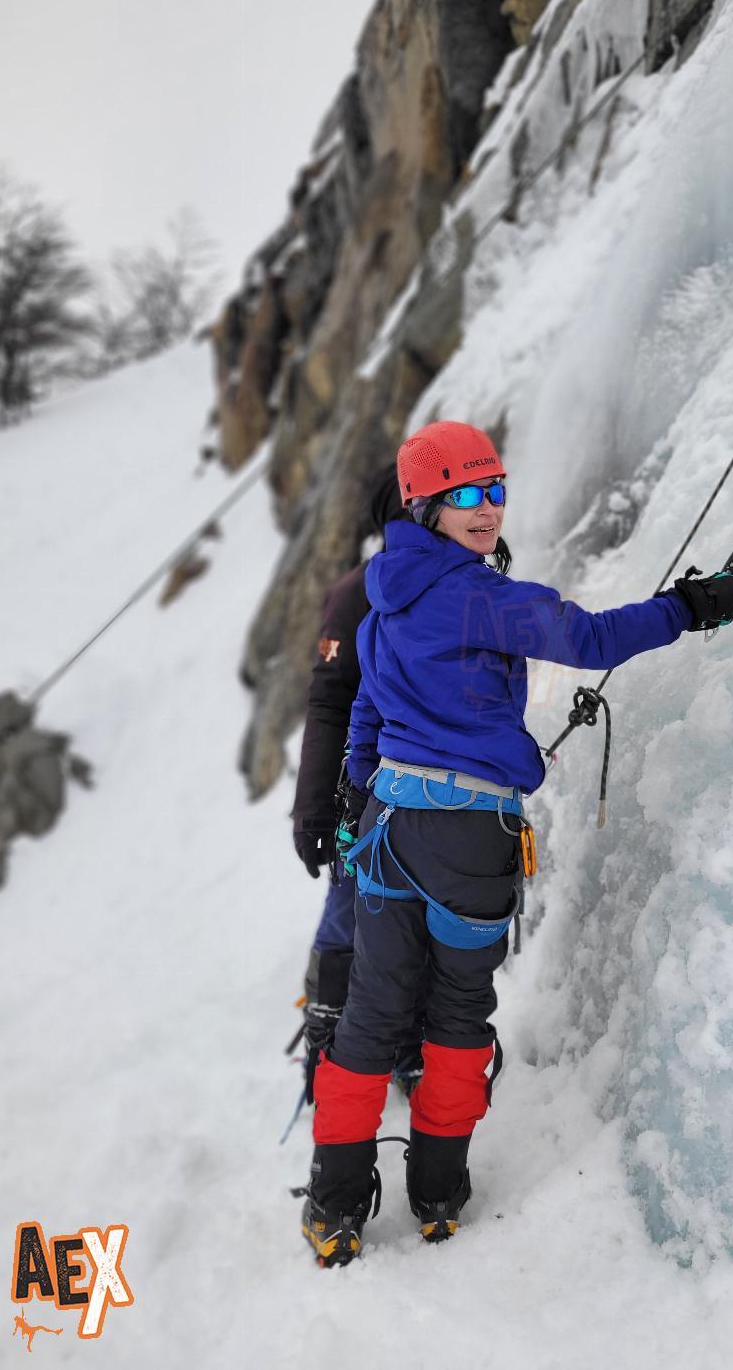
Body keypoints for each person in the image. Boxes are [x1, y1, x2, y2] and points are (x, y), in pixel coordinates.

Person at [299, 420, 733, 1266]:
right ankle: (436, 1192)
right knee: (458, 1010)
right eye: (464, 494)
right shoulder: (478, 595)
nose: (487, 508)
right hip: (469, 836)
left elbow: (365, 710)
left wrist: (355, 798)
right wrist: (688, 608)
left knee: (373, 1010)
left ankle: (334, 1203)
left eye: (495, 489)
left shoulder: (385, 598)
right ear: (424, 507)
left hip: (389, 831)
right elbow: (590, 638)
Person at [290, 465, 423, 1101]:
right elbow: (327, 703)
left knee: (412, 916)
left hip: (426, 789)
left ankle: (406, 1040)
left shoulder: (461, 581)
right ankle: (328, 1035)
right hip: (363, 792)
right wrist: (314, 811)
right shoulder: (355, 595)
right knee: (351, 908)